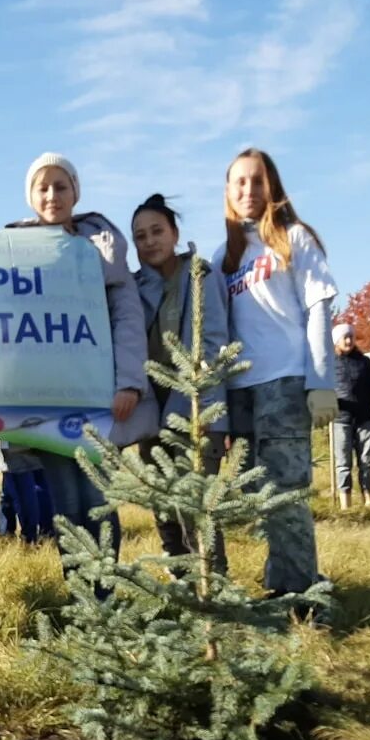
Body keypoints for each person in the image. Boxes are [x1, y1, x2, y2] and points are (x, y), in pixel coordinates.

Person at [9, 153, 158, 561]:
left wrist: (129, 382)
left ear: (75, 191)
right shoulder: (13, 251)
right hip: (49, 403)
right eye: (43, 187)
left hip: (100, 399)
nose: (52, 195)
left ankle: (106, 602)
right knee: (66, 506)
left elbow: (127, 318)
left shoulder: (103, 250)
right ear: (31, 197)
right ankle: (81, 602)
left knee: (97, 499)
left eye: (61, 186)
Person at [215, 149, 337, 597]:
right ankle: (280, 577)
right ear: (228, 192)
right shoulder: (223, 259)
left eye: (257, 181)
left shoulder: (294, 239)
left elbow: (318, 307)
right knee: (259, 498)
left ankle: (302, 593)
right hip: (240, 391)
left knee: (286, 496)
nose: (248, 191)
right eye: (239, 183)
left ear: (273, 187)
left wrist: (321, 382)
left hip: (284, 384)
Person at [130, 193, 229, 572]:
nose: (150, 241)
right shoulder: (135, 287)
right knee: (163, 507)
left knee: (196, 508)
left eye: (157, 231)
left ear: (174, 233)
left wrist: (198, 401)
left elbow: (215, 341)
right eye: (140, 236)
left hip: (195, 409)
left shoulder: (200, 276)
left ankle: (211, 590)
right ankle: (180, 584)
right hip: (150, 414)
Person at [332, 322, 370, 509]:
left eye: (351, 337)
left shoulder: (364, 362)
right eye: (344, 337)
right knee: (343, 463)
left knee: (366, 461)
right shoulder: (329, 363)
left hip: (365, 418)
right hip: (341, 419)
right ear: (336, 341)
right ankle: (345, 503)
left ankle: (368, 500)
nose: (348, 340)